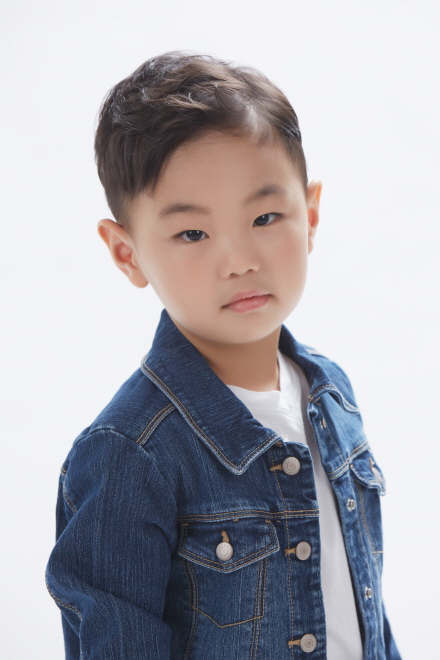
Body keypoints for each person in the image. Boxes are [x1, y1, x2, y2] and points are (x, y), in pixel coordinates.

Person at [45, 51, 401, 660]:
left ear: (310, 216)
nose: (239, 261)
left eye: (265, 216)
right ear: (127, 253)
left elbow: (363, 608)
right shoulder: (129, 454)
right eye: (193, 233)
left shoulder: (330, 391)